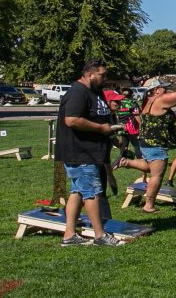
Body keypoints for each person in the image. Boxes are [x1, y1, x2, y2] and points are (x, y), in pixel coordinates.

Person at [55, 59, 125, 246]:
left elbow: (99, 117)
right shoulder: (78, 92)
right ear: (89, 74)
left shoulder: (95, 91)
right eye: (102, 74)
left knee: (77, 191)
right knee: (92, 192)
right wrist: (101, 128)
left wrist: (110, 130)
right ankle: (100, 235)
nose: (105, 78)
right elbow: (72, 120)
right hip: (80, 151)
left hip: (91, 151)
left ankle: (69, 236)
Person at [120, 74, 176, 213]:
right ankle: (149, 205)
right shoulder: (160, 100)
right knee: (157, 174)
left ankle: (126, 162)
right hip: (154, 143)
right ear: (156, 89)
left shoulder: (148, 99)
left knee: (151, 167)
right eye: (163, 88)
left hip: (145, 141)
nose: (166, 90)